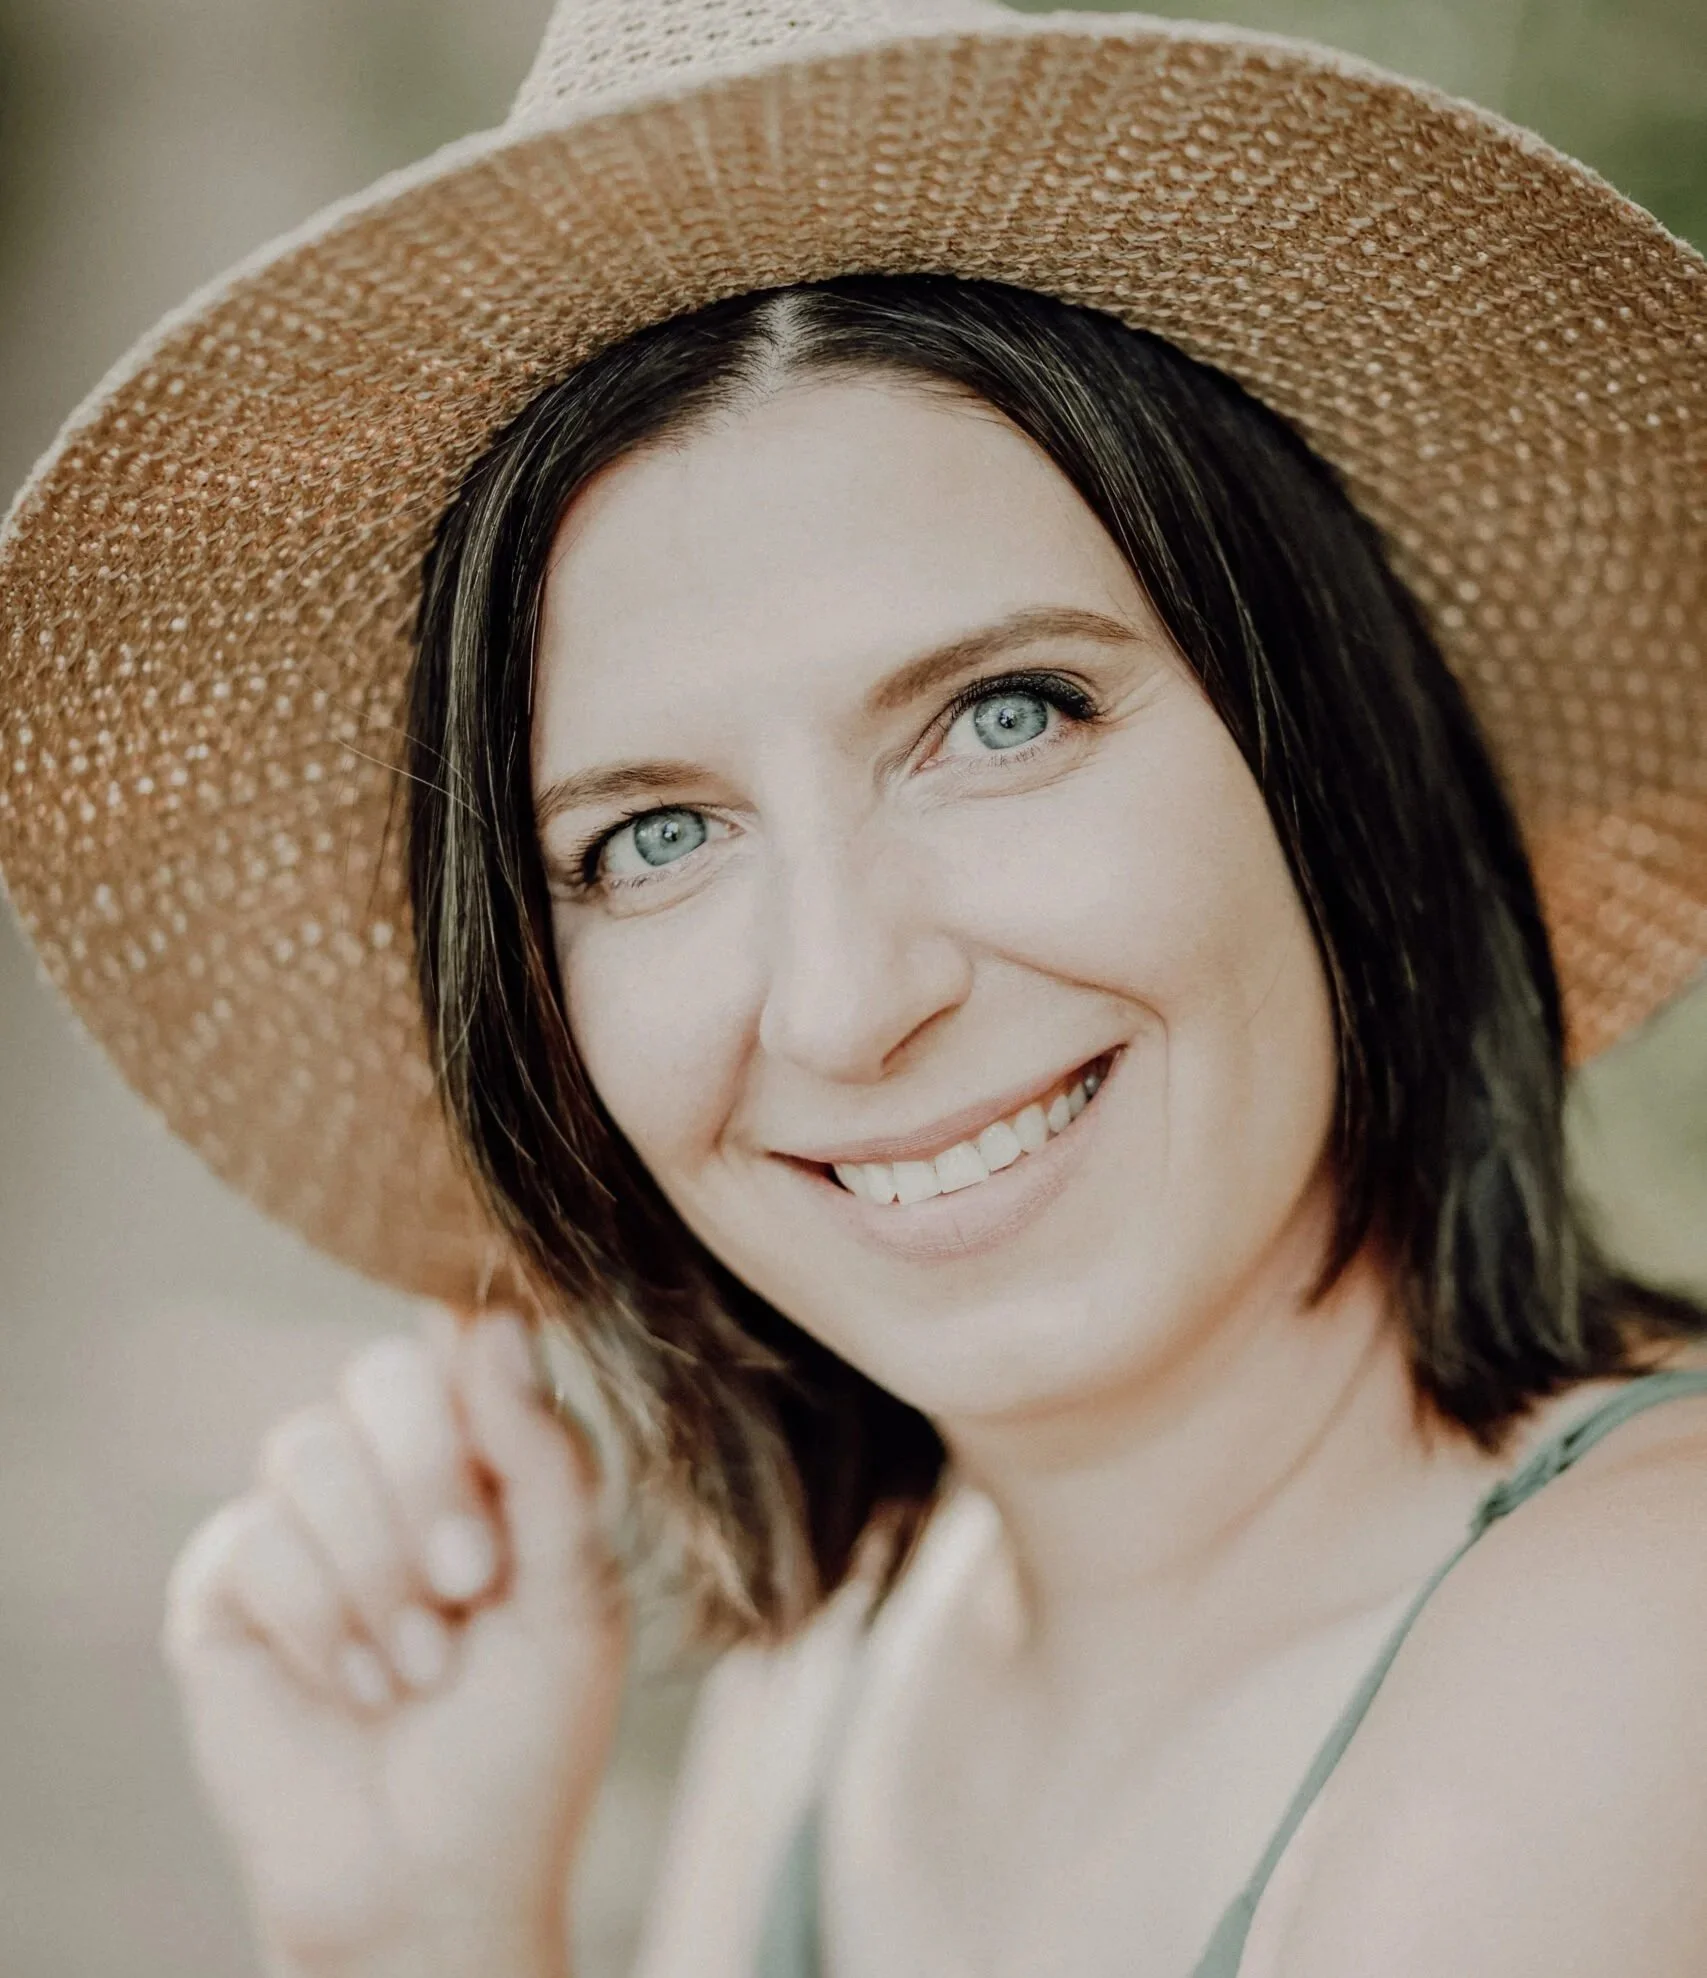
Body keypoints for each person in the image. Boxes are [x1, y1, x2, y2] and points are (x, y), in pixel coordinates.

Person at [1, 4, 1704, 1978]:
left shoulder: (1643, 1633)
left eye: (1004, 714)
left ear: (1328, 747)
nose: (840, 1001)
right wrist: (421, 1924)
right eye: (650, 837)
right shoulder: (851, 1644)